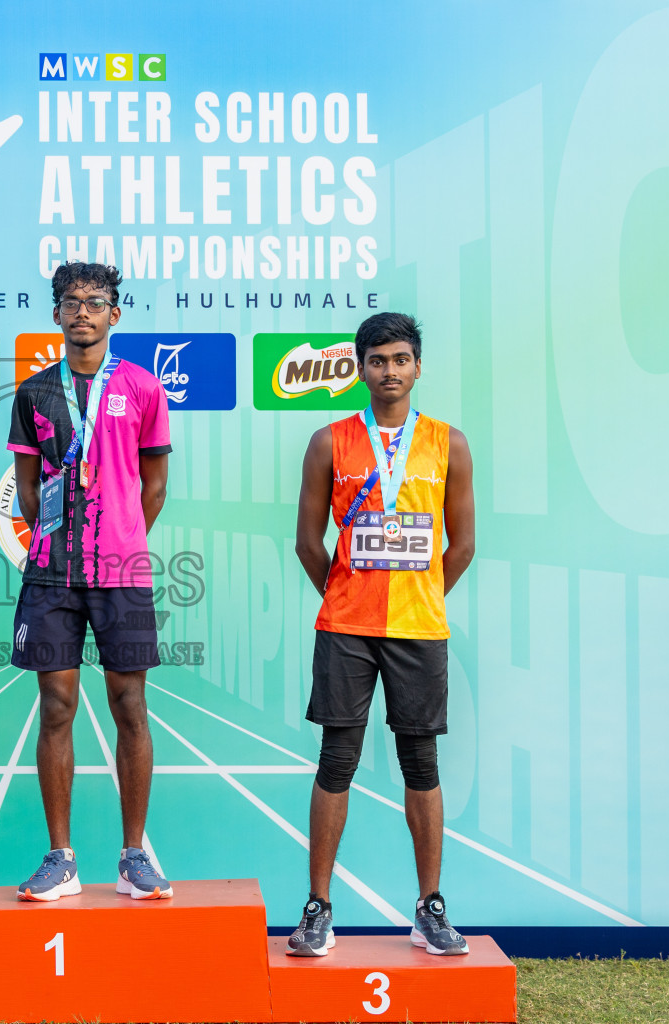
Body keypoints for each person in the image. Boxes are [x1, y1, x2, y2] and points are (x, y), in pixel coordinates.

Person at [288, 312, 476, 956]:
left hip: (419, 629)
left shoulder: (448, 443)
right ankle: (318, 908)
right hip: (345, 627)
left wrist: (417, 597)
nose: (389, 371)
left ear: (418, 366)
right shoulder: (329, 441)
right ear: (360, 369)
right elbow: (307, 543)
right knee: (336, 760)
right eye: (377, 360)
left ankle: (429, 908)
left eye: (401, 359)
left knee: (420, 762)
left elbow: (464, 543)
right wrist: (347, 596)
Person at [6, 261, 174, 901]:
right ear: (56, 314)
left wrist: (124, 533)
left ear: (115, 314)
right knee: (57, 707)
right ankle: (61, 859)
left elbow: (153, 483)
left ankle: (134, 855)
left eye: (95, 302)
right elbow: (26, 490)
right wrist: (60, 535)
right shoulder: (34, 393)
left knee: (130, 706)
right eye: (71, 302)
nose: (83, 312)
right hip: (52, 573)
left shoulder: (142, 387)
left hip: (122, 572)